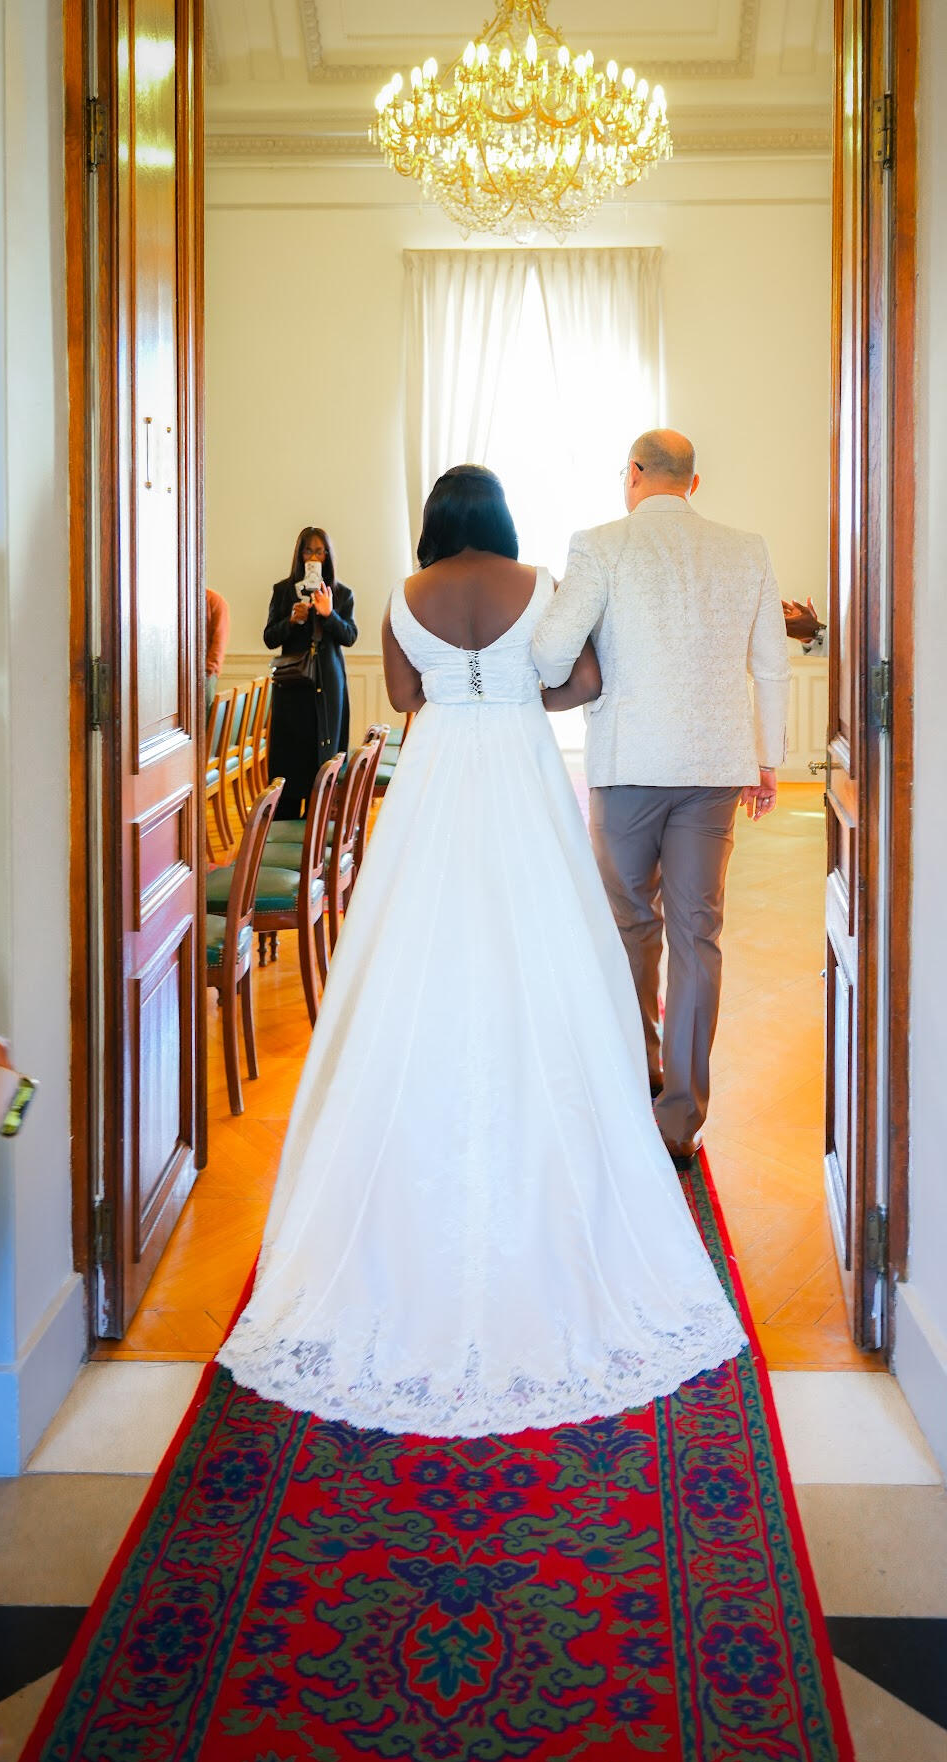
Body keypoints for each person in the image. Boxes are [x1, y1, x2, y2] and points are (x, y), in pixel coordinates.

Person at [219, 466, 746, 1436]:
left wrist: (459, 684)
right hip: (518, 768)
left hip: (437, 778)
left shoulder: (401, 595)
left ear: (434, 521)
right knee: (543, 938)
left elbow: (406, 695)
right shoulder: (540, 585)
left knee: (421, 946)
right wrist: (520, 687)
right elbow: (579, 682)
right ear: (499, 517)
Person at [532, 429, 791, 1167]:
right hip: (715, 768)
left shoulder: (599, 545)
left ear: (635, 475)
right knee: (697, 934)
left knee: (630, 925)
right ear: (694, 483)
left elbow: (550, 654)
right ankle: (680, 1119)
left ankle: (634, 1072)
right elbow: (772, 665)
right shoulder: (746, 549)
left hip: (627, 766)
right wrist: (767, 761)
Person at [263, 527, 357, 818]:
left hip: (328, 688)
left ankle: (317, 829)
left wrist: (329, 614)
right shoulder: (283, 590)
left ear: (327, 555)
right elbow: (269, 638)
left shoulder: (341, 594)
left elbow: (350, 636)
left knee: (324, 755)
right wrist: (291, 620)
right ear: (299, 554)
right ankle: (284, 823)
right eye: (308, 551)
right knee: (289, 760)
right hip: (292, 688)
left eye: (319, 551)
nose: (313, 557)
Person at [205, 585, 230, 717]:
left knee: (204, 716)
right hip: (179, 674)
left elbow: (219, 639)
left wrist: (209, 670)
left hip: (206, 673)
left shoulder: (214, 601)